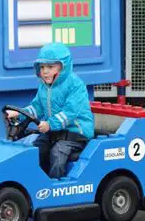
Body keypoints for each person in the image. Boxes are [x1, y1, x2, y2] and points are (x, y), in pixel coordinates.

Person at [6, 42, 94, 178]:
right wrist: (19, 113)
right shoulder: (44, 86)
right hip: (53, 132)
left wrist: (49, 124)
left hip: (75, 135)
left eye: (50, 67)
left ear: (63, 67)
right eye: (42, 67)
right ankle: (35, 183)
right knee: (34, 151)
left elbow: (69, 112)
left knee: (57, 153)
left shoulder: (76, 85)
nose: (45, 71)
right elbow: (37, 107)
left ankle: (56, 188)